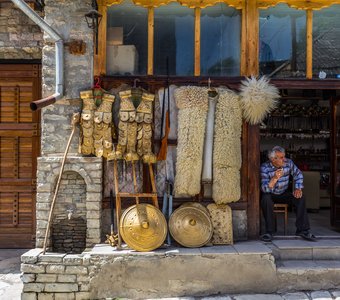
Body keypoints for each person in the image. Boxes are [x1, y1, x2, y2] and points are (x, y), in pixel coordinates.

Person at [260, 146, 316, 242]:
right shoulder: (264, 167)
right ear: (273, 159)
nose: (284, 159)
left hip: (283, 193)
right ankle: (270, 232)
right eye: (281, 157)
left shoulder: (288, 163)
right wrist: (274, 178)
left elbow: (298, 174)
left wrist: (298, 188)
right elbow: (264, 189)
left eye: (284, 156)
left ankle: (302, 230)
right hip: (270, 193)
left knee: (300, 198)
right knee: (266, 199)